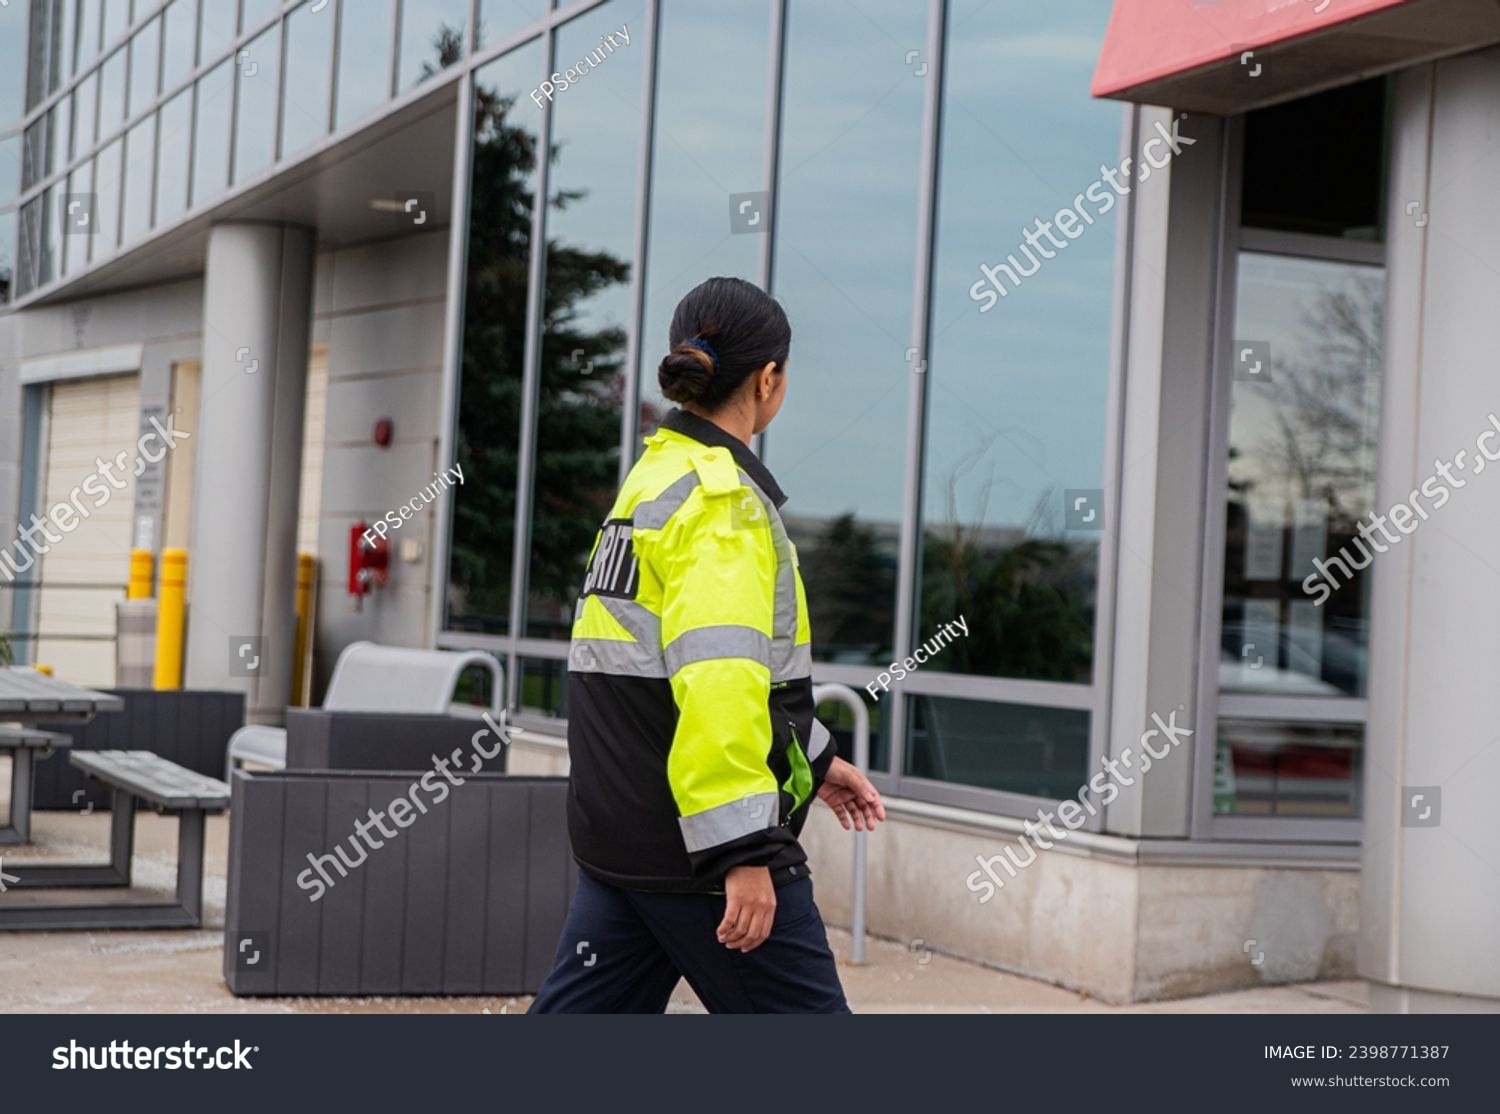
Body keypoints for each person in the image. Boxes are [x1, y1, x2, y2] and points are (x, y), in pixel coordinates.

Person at [529, 276, 885, 1014]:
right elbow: (719, 682)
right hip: (698, 853)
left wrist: (815, 758)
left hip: (621, 835)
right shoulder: (721, 503)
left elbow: (664, 673)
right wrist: (744, 850)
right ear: (768, 379)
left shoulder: (651, 480)